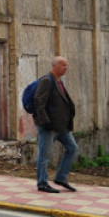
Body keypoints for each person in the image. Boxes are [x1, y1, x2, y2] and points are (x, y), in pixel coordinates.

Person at [33, 55, 79, 193]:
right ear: (54, 66)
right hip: (49, 127)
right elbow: (38, 102)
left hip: (61, 126)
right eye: (63, 65)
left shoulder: (58, 81)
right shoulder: (47, 81)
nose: (66, 68)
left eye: (66, 65)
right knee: (44, 154)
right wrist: (46, 123)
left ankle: (61, 177)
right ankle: (42, 183)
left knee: (72, 148)